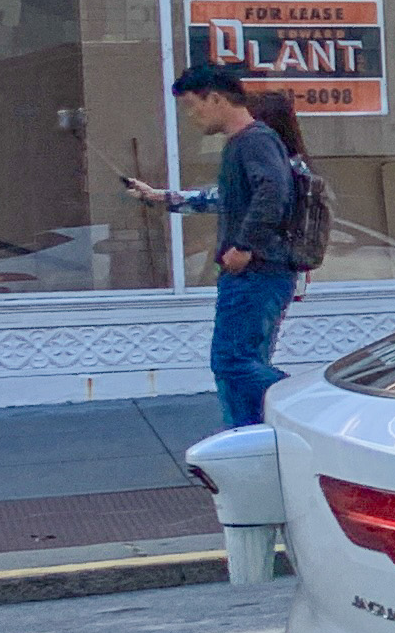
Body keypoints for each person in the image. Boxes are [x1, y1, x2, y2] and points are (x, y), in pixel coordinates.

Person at [120, 64, 309, 427]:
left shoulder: (254, 140)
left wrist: (243, 247)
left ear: (217, 98)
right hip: (257, 275)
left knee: (231, 362)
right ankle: (248, 438)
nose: (191, 116)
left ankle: (313, 406)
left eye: (194, 106)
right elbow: (229, 198)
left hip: (257, 275)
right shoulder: (247, 143)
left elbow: (274, 193)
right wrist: (162, 197)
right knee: (244, 363)